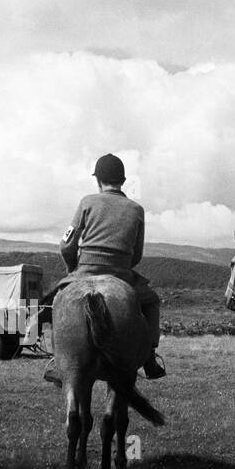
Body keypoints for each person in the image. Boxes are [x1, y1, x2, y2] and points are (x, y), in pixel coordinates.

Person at [57, 153, 164, 379]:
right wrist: (121, 264)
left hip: (84, 270)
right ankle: (150, 357)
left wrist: (73, 268)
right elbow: (137, 254)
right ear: (123, 181)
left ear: (98, 180)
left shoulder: (87, 202)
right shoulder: (136, 210)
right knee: (152, 302)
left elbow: (67, 245)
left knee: (59, 301)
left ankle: (58, 359)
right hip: (121, 274)